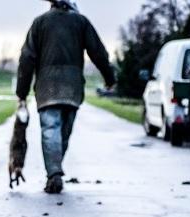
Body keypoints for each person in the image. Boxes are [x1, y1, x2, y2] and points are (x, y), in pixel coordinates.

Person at [16, 0, 116, 194]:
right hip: (72, 88)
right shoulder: (81, 22)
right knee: (64, 132)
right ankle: (55, 171)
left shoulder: (40, 23)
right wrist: (110, 78)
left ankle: (54, 174)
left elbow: (27, 58)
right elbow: (98, 52)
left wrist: (22, 92)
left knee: (50, 129)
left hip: (47, 88)